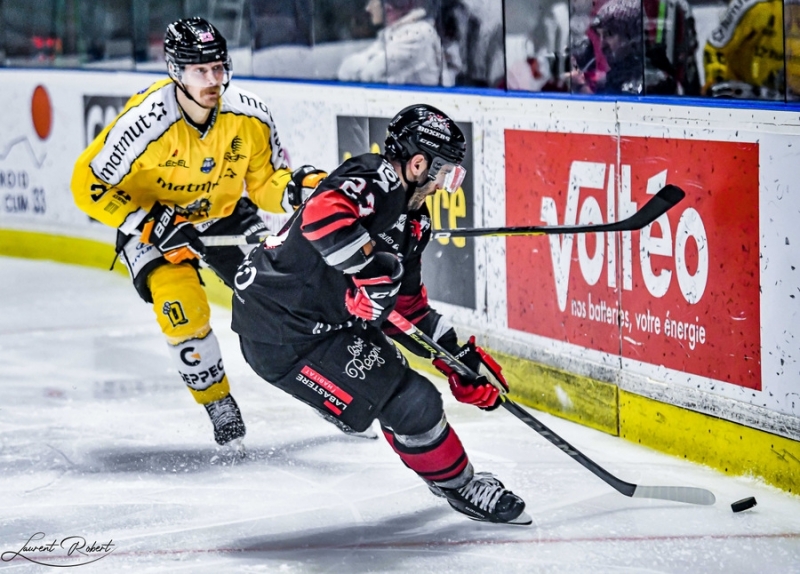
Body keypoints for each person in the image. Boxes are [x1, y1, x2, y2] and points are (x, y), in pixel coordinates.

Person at [231, 104, 531, 525]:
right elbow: (321, 214)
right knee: (411, 401)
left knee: (402, 389)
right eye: (444, 173)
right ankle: (459, 485)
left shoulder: (414, 223)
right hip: (281, 331)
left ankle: (349, 402)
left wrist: (457, 360)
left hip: (325, 324)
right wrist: (370, 270)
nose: (443, 186)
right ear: (419, 163)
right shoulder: (376, 177)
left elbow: (405, 309)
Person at [70, 17, 326, 449]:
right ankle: (217, 402)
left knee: (280, 298)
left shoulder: (250, 115)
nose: (212, 80)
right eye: (200, 70)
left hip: (221, 213)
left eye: (218, 67)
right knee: (181, 309)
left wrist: (296, 188)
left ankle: (321, 387)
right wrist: (148, 223)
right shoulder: (146, 122)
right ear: (176, 71)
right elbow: (88, 184)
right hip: (152, 223)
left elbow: (265, 183)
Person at [337, 0, 442, 85]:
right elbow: (345, 71)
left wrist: (368, 60)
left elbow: (369, 74)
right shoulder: (391, 33)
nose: (368, 8)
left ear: (388, 6)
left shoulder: (417, 35)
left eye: (372, 2)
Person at [702, 0, 785, 99]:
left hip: (785, 99)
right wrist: (717, 80)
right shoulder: (750, 5)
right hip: (739, 96)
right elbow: (716, 48)